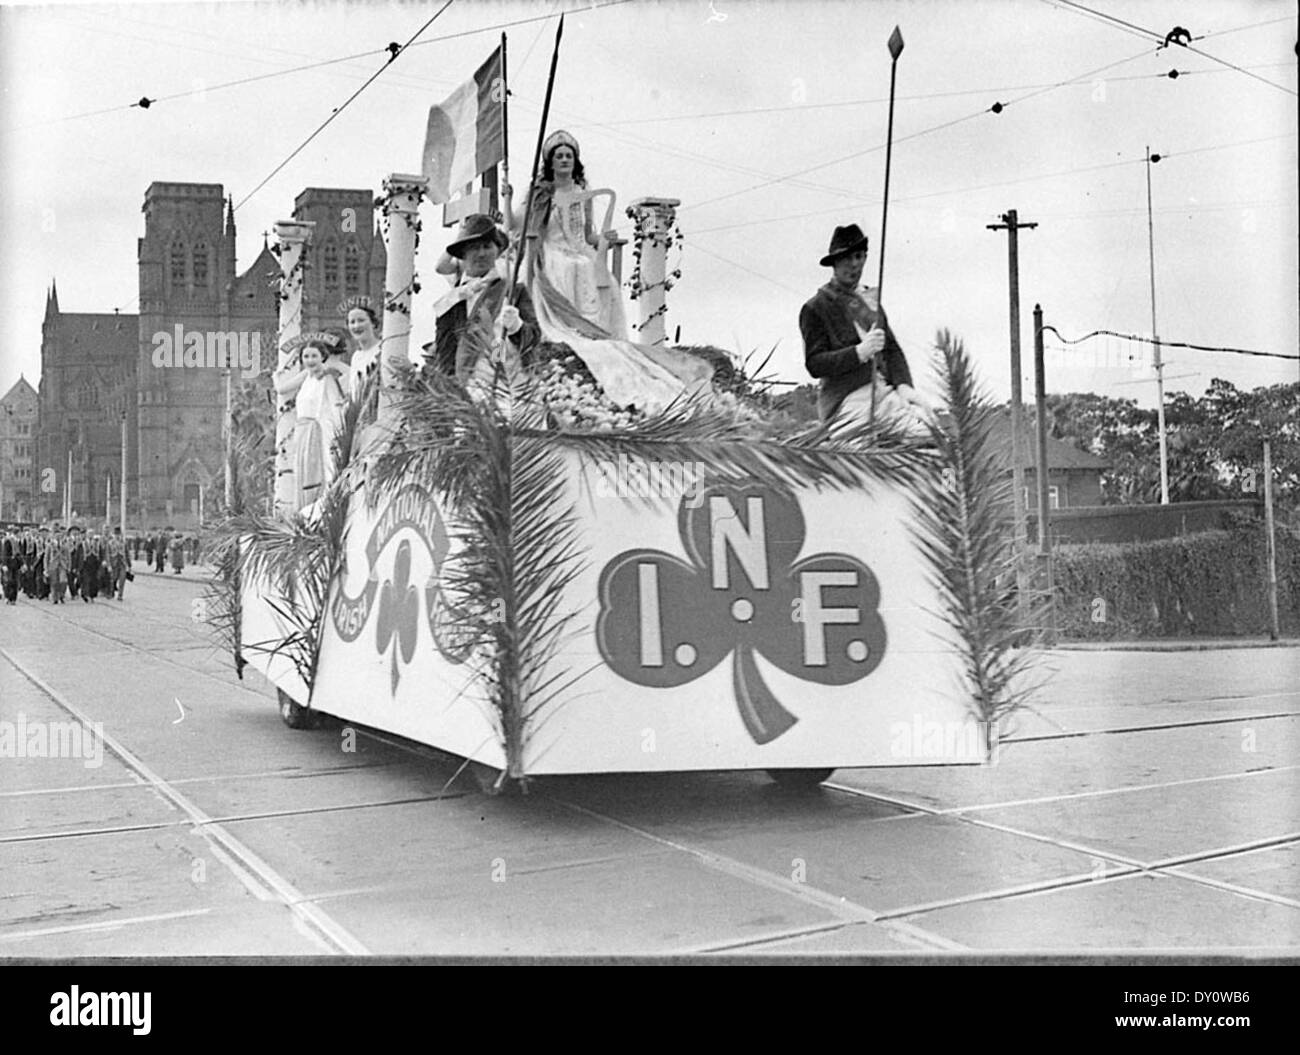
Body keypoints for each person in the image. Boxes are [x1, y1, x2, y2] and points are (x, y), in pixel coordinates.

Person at [514, 130, 711, 413]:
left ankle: (595, 332)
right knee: (571, 267)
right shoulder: (543, 194)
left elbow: (588, 234)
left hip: (579, 250)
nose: (564, 161)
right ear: (551, 162)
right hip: (553, 251)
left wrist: (604, 238)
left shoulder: (583, 193)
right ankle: (570, 329)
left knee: (591, 269)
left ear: (575, 161)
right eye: (559, 157)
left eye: (569, 156)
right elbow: (526, 228)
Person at [800, 223, 926, 426]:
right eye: (846, 258)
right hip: (846, 401)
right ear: (834, 263)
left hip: (885, 395)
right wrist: (858, 352)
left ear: (865, 259)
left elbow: (892, 350)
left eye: (858, 257)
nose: (853, 264)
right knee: (857, 453)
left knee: (931, 438)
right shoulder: (816, 307)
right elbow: (815, 364)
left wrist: (904, 385)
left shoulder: (871, 301)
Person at [431, 213, 539, 386]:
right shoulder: (453, 301)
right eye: (474, 247)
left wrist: (517, 327)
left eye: (487, 246)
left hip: (506, 387)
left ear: (497, 251)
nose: (481, 253)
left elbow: (533, 339)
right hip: (465, 391)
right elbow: (445, 353)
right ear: (463, 255)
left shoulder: (513, 292)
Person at [275, 336, 349, 510]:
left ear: (322, 357)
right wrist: (276, 376)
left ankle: (322, 508)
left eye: (314, 356)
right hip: (302, 430)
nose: (310, 360)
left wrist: (332, 365)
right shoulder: (306, 377)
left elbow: (337, 406)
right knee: (303, 474)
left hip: (319, 430)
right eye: (306, 356)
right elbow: (281, 388)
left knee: (320, 472)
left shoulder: (328, 378)